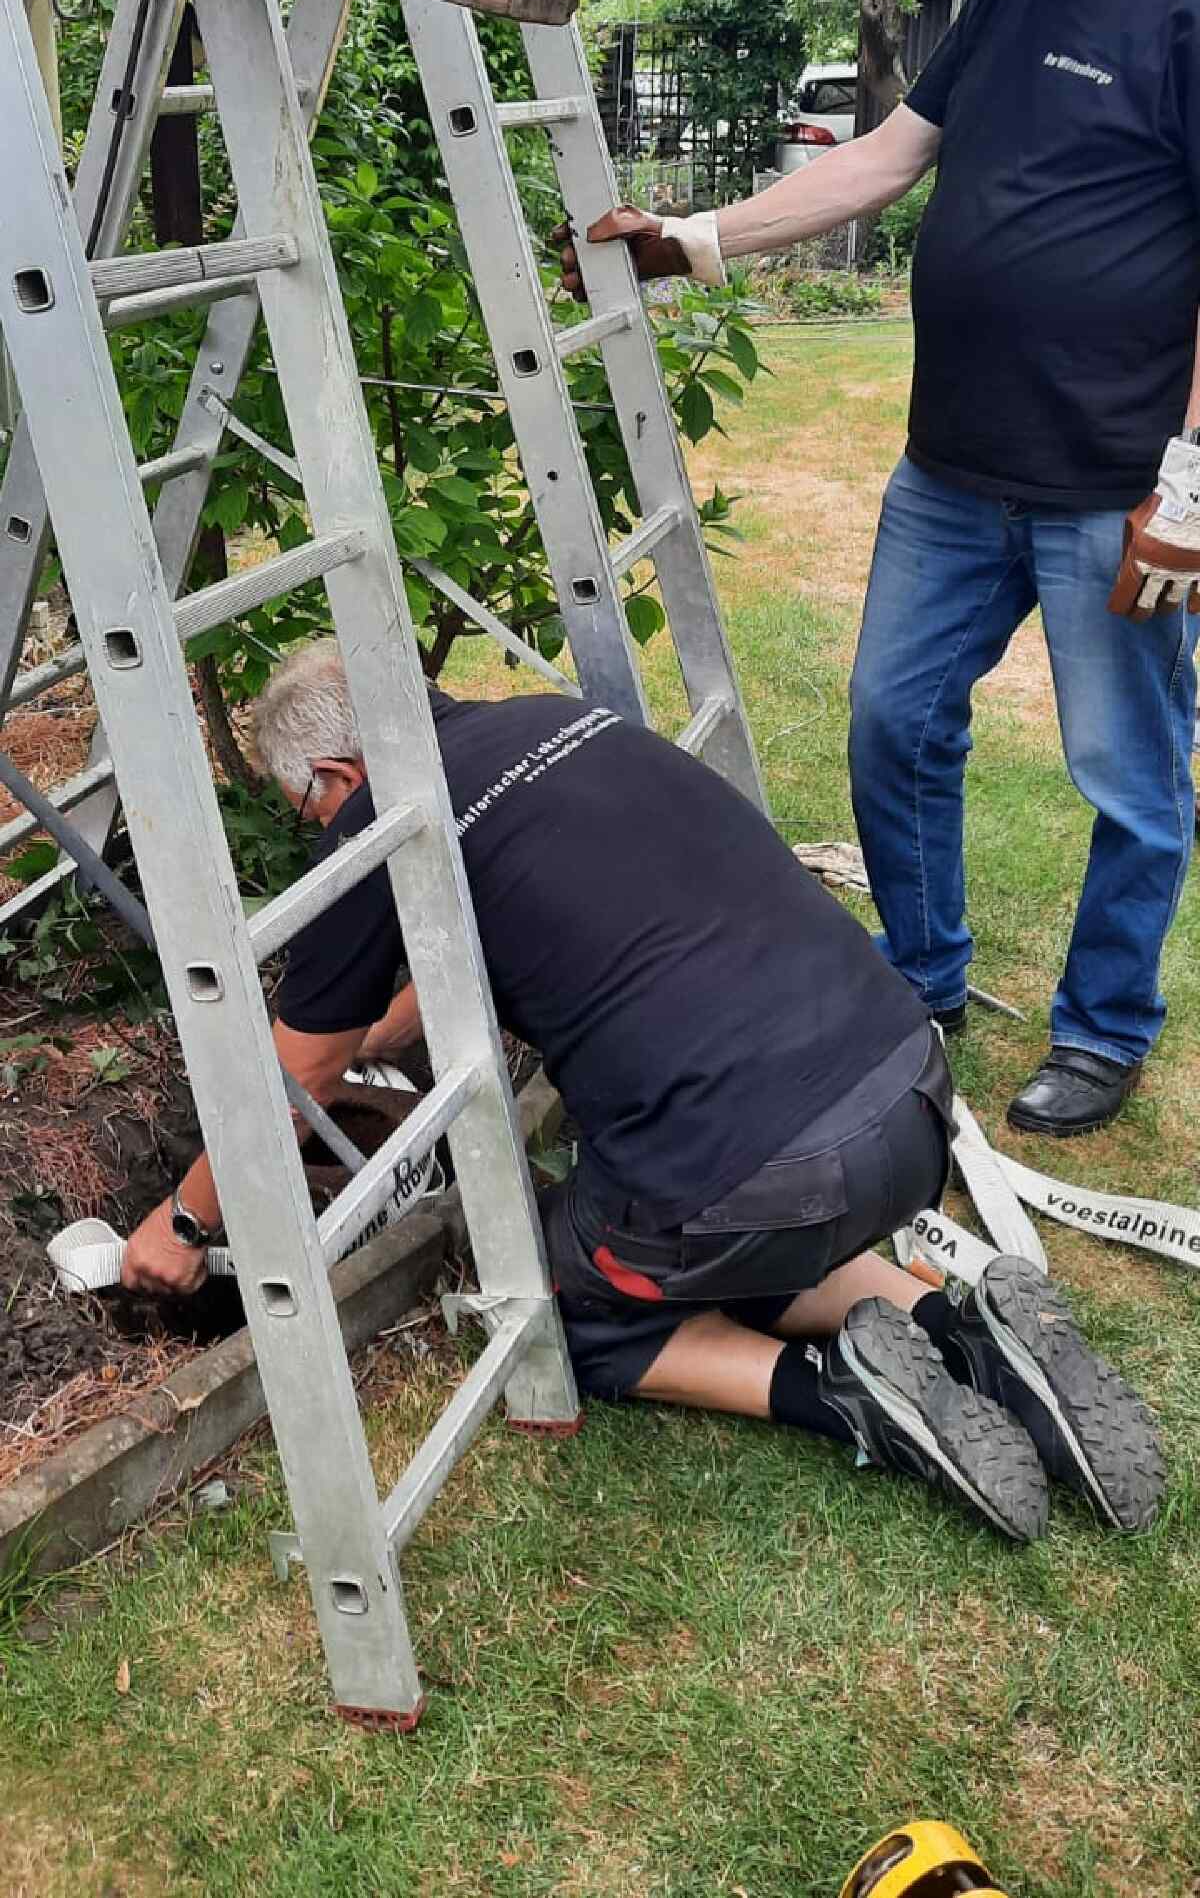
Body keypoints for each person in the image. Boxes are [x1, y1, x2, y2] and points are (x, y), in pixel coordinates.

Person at [122, 641, 1162, 1541]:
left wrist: (182, 1221)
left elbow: (293, 1072)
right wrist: (375, 1037)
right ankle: (963, 1328)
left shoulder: (380, 820)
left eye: (309, 809)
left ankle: (845, 1398)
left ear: (337, 775)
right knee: (707, 1224)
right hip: (909, 1097)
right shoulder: (557, 720)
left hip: (759, 1177)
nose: (321, 830)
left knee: (549, 1293)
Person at [558, 0, 1200, 1141]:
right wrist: (697, 239)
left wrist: (1193, 484)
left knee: (1130, 774)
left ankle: (1104, 1026)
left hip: (1114, 483)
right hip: (953, 469)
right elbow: (888, 156)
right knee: (892, 719)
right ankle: (920, 978)